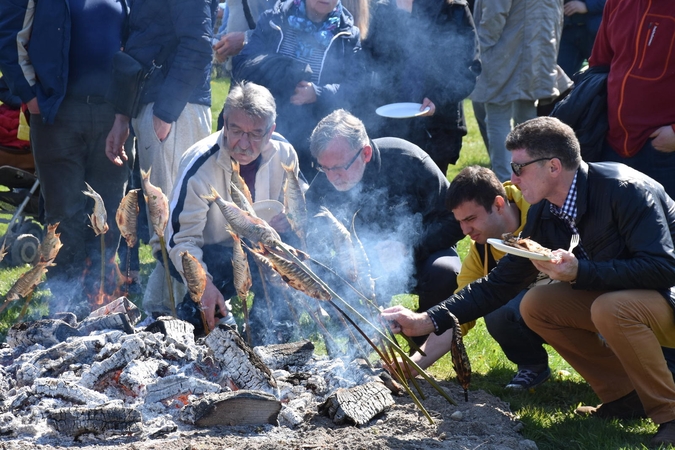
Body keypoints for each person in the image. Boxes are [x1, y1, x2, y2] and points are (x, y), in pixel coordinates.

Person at [382, 116, 675, 447]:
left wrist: (582, 272)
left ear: (553, 166)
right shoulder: (545, 210)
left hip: (666, 297)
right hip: (632, 300)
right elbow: (497, 285)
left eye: (519, 168)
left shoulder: (624, 190)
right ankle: (625, 395)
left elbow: (663, 268)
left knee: (609, 307)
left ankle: (670, 414)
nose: (512, 179)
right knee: (536, 306)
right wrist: (426, 320)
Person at [0, 0, 131, 316]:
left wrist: (125, 112)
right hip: (57, 114)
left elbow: (137, 43)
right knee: (64, 217)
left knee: (109, 216)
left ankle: (100, 304)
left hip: (111, 116)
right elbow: (7, 37)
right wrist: (30, 97)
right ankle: (65, 308)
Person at [166, 82, 304, 343]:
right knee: (198, 326)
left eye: (255, 134)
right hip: (210, 251)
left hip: (260, 248)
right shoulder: (200, 165)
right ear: (225, 123)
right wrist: (204, 285)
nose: (243, 143)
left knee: (289, 252)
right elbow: (181, 240)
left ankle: (269, 330)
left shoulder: (285, 154)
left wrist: (291, 219)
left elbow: (296, 207)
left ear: (270, 131)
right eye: (237, 130)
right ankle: (202, 311)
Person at [104, 0, 215, 317]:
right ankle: (171, 309)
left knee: (176, 222)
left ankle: (178, 310)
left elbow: (197, 42)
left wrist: (166, 110)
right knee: (165, 224)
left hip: (173, 110)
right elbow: (140, 43)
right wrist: (124, 116)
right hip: (156, 106)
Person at [305, 109, 464, 318]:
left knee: (445, 272)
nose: (332, 177)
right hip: (358, 265)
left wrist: (409, 246)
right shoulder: (325, 179)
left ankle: (425, 336)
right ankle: (359, 336)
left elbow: (456, 219)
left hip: (420, 255)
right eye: (324, 168)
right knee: (324, 276)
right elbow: (309, 231)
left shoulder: (408, 160)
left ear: (366, 153)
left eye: (339, 167)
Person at [409, 166, 551, 390]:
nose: (465, 230)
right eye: (460, 222)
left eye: (471, 218)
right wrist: (413, 365)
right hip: (535, 312)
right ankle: (532, 365)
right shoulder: (481, 251)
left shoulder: (542, 212)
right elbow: (457, 316)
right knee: (498, 312)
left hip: (575, 301)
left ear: (498, 204)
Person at [232, 0, 362, 178]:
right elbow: (243, 64)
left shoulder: (348, 34)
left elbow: (355, 87)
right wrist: (284, 72)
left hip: (312, 139)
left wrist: (318, 93)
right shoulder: (274, 19)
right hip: (261, 130)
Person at [360, 0, 480, 175]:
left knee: (432, 195)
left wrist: (438, 99)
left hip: (436, 128)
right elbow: (367, 59)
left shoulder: (454, 9)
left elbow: (469, 69)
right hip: (389, 124)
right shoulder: (380, 8)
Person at [469, 0, 569, 182]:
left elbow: (495, 13)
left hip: (506, 48)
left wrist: (479, 44)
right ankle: (532, 179)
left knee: (498, 115)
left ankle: (506, 182)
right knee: (527, 116)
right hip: (536, 48)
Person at [590, 0, 675, 199]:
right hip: (611, 145)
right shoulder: (617, 2)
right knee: (613, 227)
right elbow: (599, 64)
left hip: (663, 150)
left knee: (666, 228)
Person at [557, 0, 606, 77]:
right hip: (567, 29)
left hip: (595, 32)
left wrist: (587, 6)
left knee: (601, 76)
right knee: (562, 79)